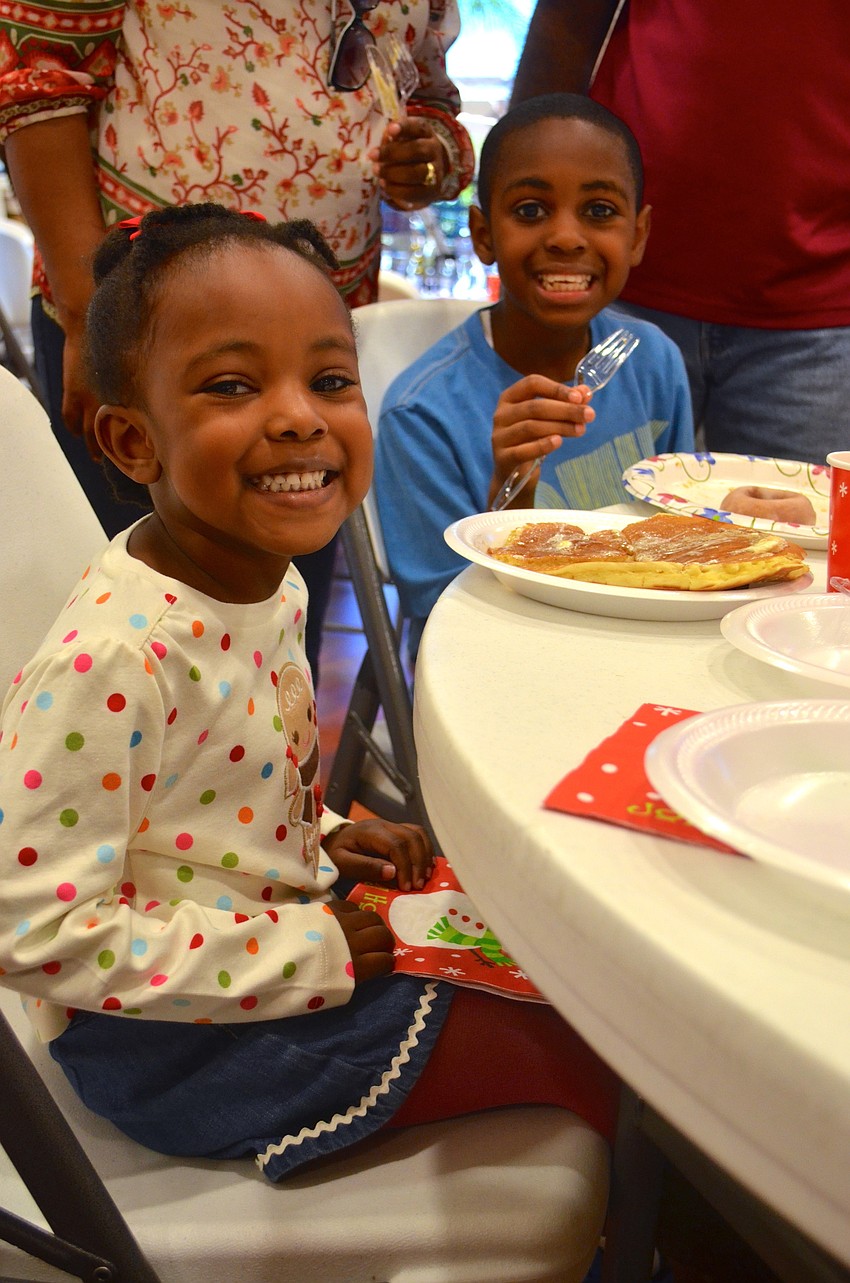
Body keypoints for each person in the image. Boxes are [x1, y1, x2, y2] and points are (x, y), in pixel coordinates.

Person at [0, 204, 618, 1182]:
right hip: (172, 1044)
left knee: (578, 970)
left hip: (273, 943)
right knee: (584, 1051)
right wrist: (304, 952)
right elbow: (27, 929)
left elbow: (210, 783)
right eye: (234, 385)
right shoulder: (116, 659)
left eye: (330, 380)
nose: (299, 415)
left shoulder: (264, 574)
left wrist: (322, 829)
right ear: (129, 439)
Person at [0, 0, 474, 680]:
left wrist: (432, 150)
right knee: (148, 644)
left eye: (340, 389)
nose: (301, 419)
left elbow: (420, 85)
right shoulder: (94, 673)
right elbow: (39, 70)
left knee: (274, 626)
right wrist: (87, 313)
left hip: (324, 308)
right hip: (150, 328)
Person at [374, 93, 693, 660]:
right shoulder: (421, 414)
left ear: (638, 235)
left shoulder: (654, 362)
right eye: (529, 211)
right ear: (483, 234)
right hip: (503, 664)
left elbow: (678, 535)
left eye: (598, 211)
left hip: (641, 646)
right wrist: (511, 492)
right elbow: (449, 617)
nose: (567, 238)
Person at [510, 0, 850, 467]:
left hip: (819, 308)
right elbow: (566, 19)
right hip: (612, 281)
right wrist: (522, 202)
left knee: (793, 537)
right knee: (575, 528)